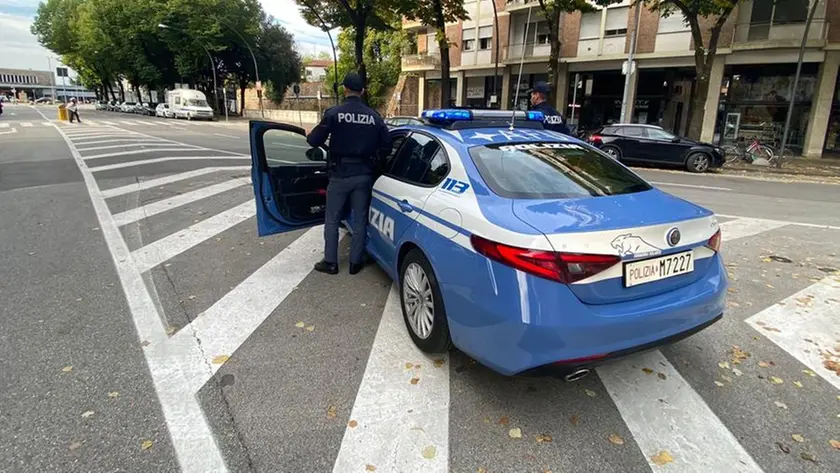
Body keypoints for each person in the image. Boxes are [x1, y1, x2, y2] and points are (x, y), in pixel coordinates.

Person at [306, 72, 392, 275]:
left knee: (332, 220)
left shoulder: (334, 113)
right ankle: (356, 263)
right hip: (364, 175)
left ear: (345, 89)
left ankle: (331, 262)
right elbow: (387, 145)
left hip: (339, 175)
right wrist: (375, 162)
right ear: (362, 91)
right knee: (360, 219)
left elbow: (313, 141)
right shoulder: (374, 117)